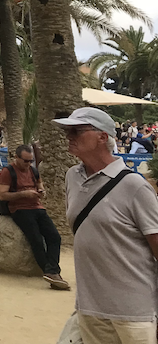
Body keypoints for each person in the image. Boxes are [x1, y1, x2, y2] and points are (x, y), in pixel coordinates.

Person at [54, 107, 158, 344]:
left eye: (77, 131)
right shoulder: (72, 177)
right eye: (66, 131)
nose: (68, 137)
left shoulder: (135, 187)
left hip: (134, 312)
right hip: (90, 308)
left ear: (103, 136)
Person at [0, 143, 68, 290]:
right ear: (16, 158)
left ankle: (51, 270)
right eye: (25, 161)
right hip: (19, 209)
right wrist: (23, 194)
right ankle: (52, 272)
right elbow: (2, 195)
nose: (28, 164)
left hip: (37, 207)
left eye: (30, 161)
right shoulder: (7, 172)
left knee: (54, 237)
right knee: (35, 239)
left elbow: (40, 185)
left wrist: (41, 191)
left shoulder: (33, 171)